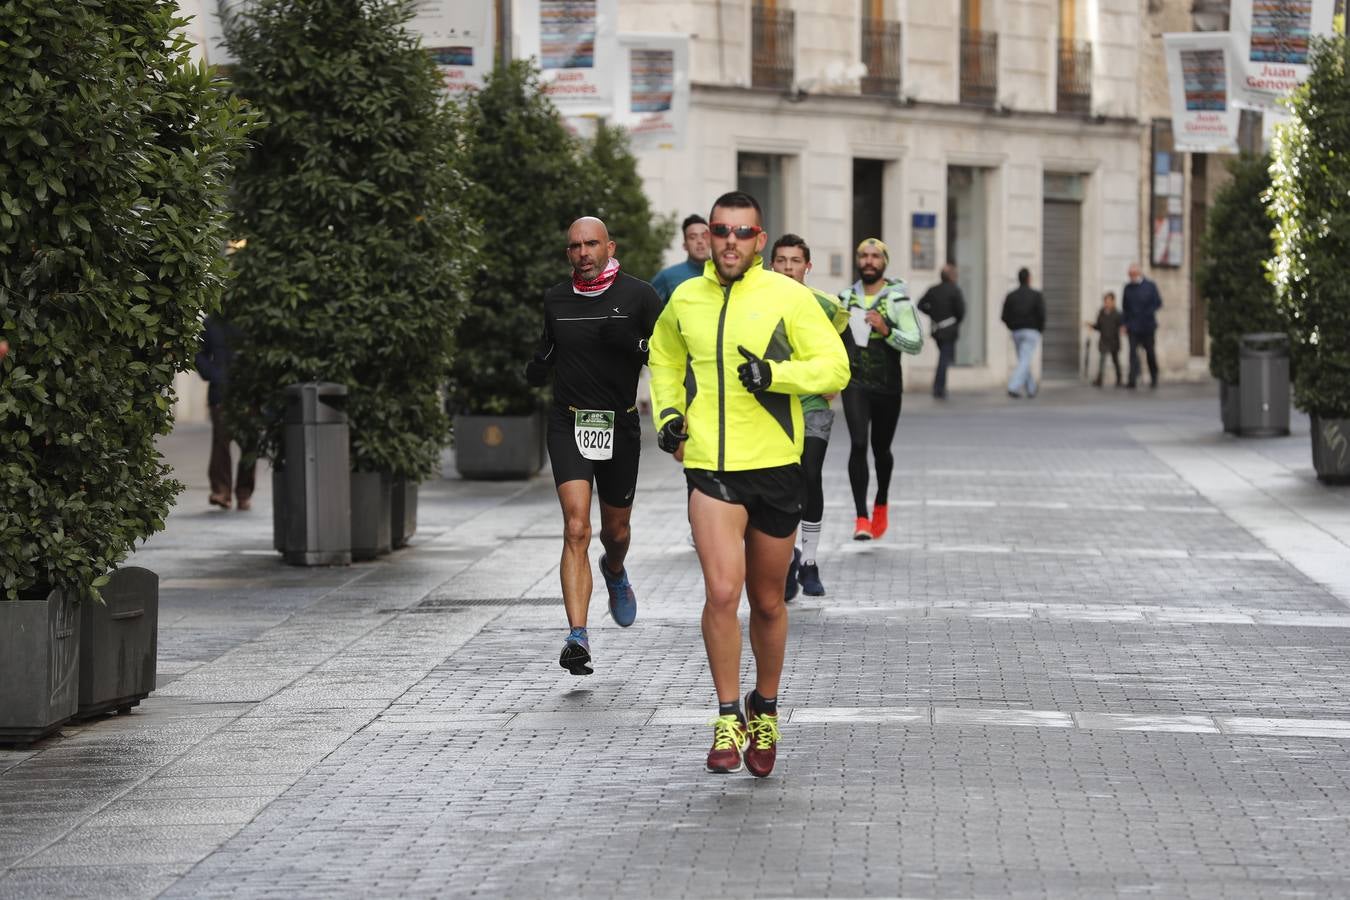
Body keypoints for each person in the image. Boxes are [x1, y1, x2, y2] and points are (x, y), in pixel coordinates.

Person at [649, 191, 849, 777]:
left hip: (775, 466)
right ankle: (727, 714)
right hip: (710, 464)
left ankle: (766, 707)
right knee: (719, 592)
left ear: (760, 240)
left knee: (766, 601)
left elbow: (835, 366)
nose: (730, 241)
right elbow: (662, 356)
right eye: (720, 231)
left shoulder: (789, 296)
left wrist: (776, 375)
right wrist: (667, 414)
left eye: (742, 232)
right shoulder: (685, 297)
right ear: (708, 237)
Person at [525, 217, 662, 676]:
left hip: (619, 425)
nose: (583, 253)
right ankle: (577, 636)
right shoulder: (555, 299)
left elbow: (669, 355)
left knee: (615, 532)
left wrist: (635, 343)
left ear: (609, 246)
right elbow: (549, 348)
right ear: (568, 254)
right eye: (575, 247)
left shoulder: (638, 295)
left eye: (591, 244)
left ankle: (615, 571)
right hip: (569, 423)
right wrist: (539, 364)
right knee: (576, 527)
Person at [770, 234, 849, 599]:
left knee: (810, 474)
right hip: (774, 406)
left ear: (807, 266)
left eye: (795, 261)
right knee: (784, 484)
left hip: (814, 403)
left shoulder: (827, 306)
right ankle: (787, 557)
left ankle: (810, 562)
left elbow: (839, 351)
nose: (788, 267)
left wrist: (833, 377)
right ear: (772, 264)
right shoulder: (757, 302)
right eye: (782, 260)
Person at [838, 239, 923, 542]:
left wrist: (887, 331)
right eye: (864, 256)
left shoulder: (899, 301)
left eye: (875, 256)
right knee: (858, 443)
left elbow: (916, 343)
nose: (869, 261)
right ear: (857, 261)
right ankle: (861, 517)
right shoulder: (845, 299)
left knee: (880, 449)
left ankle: (881, 501)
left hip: (888, 386)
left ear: (884, 262)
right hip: (855, 383)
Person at [195, 316, 255, 510]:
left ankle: (244, 493)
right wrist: (213, 374)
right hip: (221, 392)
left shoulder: (253, 317)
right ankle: (222, 491)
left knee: (250, 443)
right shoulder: (212, 322)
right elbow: (197, 353)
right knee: (221, 441)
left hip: (251, 391)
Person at [916, 264, 966, 399]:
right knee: (944, 359)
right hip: (949, 329)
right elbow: (961, 311)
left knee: (943, 357)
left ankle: (940, 386)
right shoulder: (954, 290)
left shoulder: (933, 290)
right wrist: (955, 322)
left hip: (937, 330)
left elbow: (920, 305)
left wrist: (932, 313)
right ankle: (939, 387)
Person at [1001, 267, 1046, 399]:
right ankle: (1013, 386)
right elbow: (1042, 315)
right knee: (1024, 360)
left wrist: (1012, 326)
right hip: (1031, 331)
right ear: (1029, 279)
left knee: (1023, 359)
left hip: (1016, 332)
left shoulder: (1011, 296)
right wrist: (1039, 329)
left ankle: (1031, 388)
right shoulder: (1036, 295)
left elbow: (1004, 316)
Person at [650, 214, 711, 307]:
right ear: (685, 245)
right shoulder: (667, 277)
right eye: (693, 237)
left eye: (704, 236)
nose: (700, 241)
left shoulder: (725, 275)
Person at [1122, 263, 1162, 389]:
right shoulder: (1128, 288)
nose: (1131, 276)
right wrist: (1124, 324)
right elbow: (1125, 308)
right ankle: (1132, 379)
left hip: (1147, 326)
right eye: (1130, 274)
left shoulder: (1150, 286)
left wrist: (1147, 313)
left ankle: (1154, 377)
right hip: (1133, 326)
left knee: (1150, 353)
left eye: (1133, 274)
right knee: (1132, 354)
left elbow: (1158, 303)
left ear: (1139, 273)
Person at [1086, 291, 1124, 387]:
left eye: (1108, 301)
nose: (1107, 303)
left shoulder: (1117, 314)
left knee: (1115, 361)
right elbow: (1099, 326)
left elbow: (1121, 326)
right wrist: (1092, 326)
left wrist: (1123, 329)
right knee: (1102, 360)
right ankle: (1099, 379)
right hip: (1104, 340)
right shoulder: (1101, 313)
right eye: (1105, 301)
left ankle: (1119, 379)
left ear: (1113, 301)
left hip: (1114, 340)